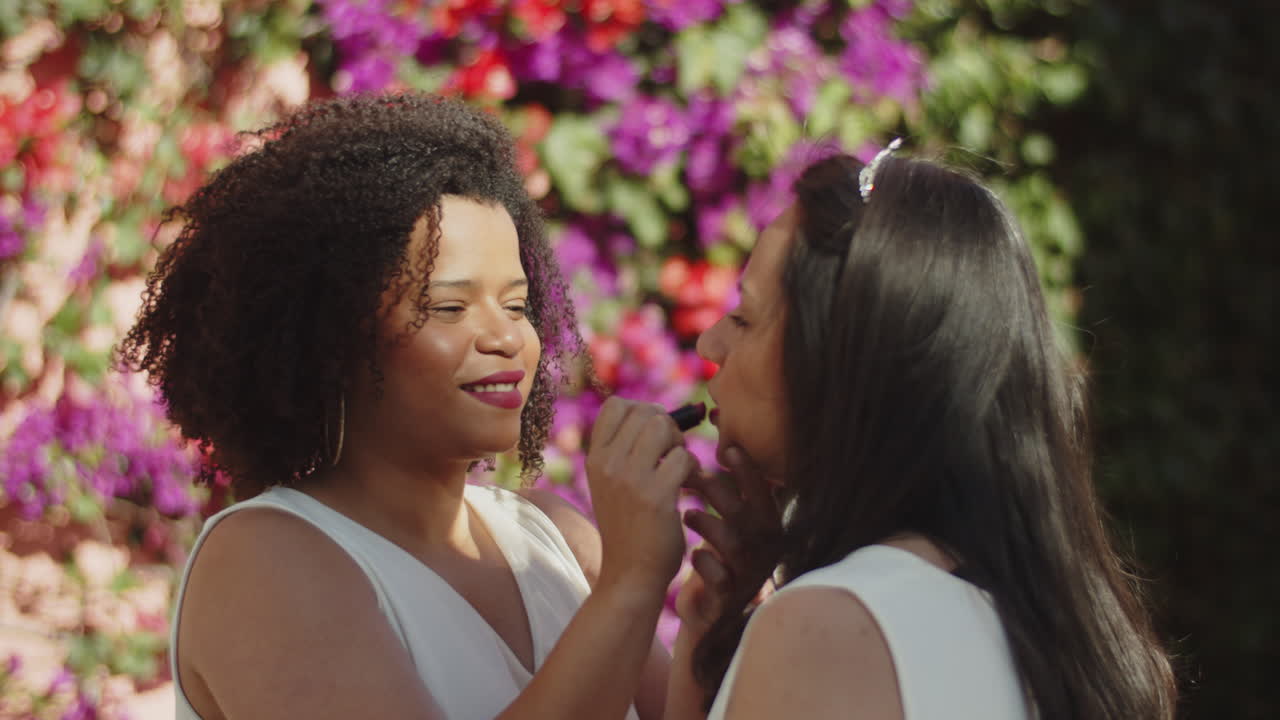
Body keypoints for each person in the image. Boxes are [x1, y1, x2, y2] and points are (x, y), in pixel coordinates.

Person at [117, 93, 705, 720]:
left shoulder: (554, 539)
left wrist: (711, 611)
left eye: (516, 305)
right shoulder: (267, 558)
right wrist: (630, 582)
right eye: (449, 308)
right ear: (335, 340)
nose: (506, 338)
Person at [662, 144, 1178, 719]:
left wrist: (627, 586)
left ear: (844, 366)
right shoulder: (1062, 630)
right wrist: (710, 634)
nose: (710, 346)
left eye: (745, 318)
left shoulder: (829, 627)